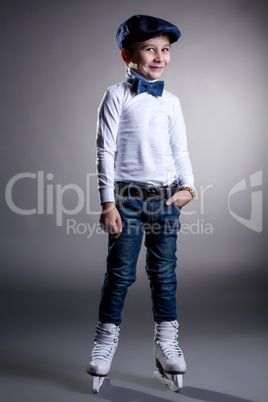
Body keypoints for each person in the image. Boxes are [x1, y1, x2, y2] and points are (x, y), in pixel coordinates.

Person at [87, 14, 196, 393]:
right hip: (127, 200)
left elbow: (179, 149)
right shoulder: (116, 95)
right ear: (127, 55)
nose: (159, 56)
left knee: (164, 272)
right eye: (150, 49)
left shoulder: (172, 102)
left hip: (166, 200)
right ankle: (104, 340)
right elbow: (105, 151)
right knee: (120, 273)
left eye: (165, 50)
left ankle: (166, 340)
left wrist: (190, 188)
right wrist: (107, 203)